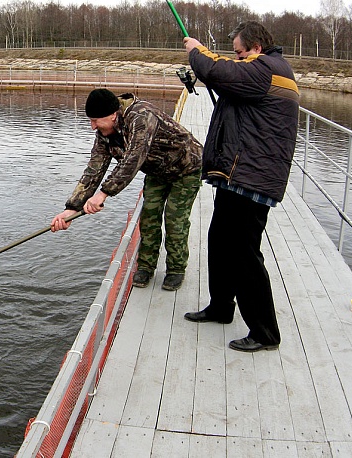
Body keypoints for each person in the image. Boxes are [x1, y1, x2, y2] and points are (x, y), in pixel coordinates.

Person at [181, 21, 300, 352]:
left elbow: (217, 71)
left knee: (244, 254)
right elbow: (224, 77)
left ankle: (265, 333)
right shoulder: (264, 69)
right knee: (220, 241)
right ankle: (221, 307)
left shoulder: (266, 69)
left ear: (256, 48)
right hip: (239, 176)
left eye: (239, 51)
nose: (236, 57)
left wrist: (196, 49)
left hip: (252, 177)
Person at [51, 89, 202, 291]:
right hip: (157, 172)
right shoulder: (104, 134)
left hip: (186, 168)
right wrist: (72, 207)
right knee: (149, 218)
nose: (92, 126)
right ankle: (146, 268)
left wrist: (103, 194)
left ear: (113, 115)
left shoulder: (141, 116)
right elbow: (94, 169)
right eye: (90, 120)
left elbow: (133, 158)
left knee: (175, 220)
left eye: (96, 120)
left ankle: (175, 270)